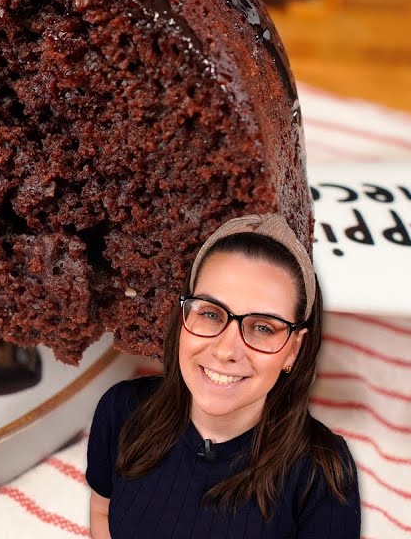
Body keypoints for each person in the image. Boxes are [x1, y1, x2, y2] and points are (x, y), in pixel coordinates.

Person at [86, 213, 360, 537]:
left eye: (262, 327)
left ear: (293, 349)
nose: (225, 350)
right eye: (211, 313)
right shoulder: (120, 411)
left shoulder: (323, 472)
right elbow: (102, 509)